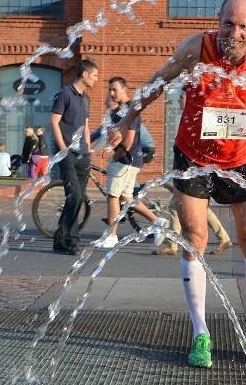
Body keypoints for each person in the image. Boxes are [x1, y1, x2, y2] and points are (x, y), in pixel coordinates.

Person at [108, 0, 246, 369]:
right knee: (195, 240)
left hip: (242, 158)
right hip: (193, 154)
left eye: (244, 26)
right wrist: (127, 119)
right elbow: (158, 82)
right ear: (218, 20)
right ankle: (200, 335)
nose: (235, 32)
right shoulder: (198, 48)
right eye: (229, 23)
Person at [155, 92, 233, 257]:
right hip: (187, 171)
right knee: (195, 209)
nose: (178, 101)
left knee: (177, 208)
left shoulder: (203, 118)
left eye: (181, 97)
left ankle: (173, 245)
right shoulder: (187, 118)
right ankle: (223, 237)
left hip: (198, 173)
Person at [99, 76, 169, 249]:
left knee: (112, 196)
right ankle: (157, 221)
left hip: (125, 160)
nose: (111, 93)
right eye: (110, 90)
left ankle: (111, 236)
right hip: (130, 160)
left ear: (125, 90)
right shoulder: (120, 111)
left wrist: (114, 158)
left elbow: (129, 140)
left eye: (115, 89)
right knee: (126, 198)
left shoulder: (131, 109)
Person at [50, 58, 96, 255]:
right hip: (67, 153)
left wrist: (88, 147)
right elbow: (53, 121)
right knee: (75, 196)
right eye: (94, 75)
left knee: (75, 198)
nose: (96, 79)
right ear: (84, 74)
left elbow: (84, 124)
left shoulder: (85, 98)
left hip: (83, 155)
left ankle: (59, 240)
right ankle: (71, 241)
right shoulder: (64, 94)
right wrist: (62, 147)